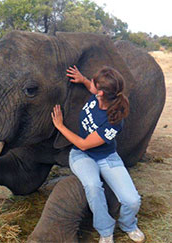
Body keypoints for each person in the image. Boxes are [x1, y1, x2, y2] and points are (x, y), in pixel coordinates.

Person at [51, 65, 145, 243]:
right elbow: (91, 86)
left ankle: (128, 225)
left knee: (132, 200)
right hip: (81, 157)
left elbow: (84, 144)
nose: (90, 84)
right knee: (93, 187)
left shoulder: (113, 120)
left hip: (103, 157)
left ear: (101, 93)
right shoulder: (98, 97)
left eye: (93, 83)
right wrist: (83, 79)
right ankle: (105, 230)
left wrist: (60, 126)